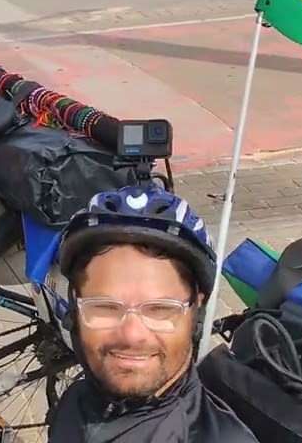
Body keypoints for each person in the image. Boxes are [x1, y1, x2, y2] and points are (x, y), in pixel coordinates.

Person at [49, 186, 261, 442]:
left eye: (160, 309)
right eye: (105, 306)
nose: (132, 334)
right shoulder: (77, 400)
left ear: (196, 311)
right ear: (75, 306)